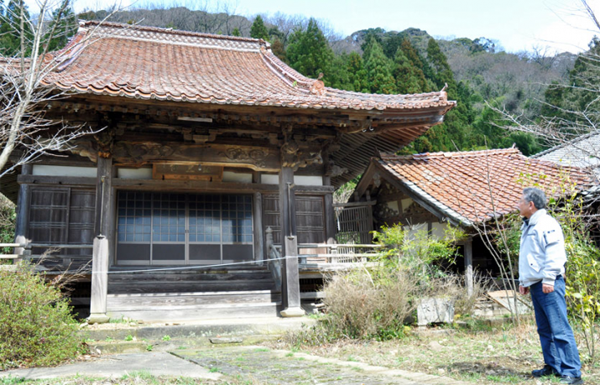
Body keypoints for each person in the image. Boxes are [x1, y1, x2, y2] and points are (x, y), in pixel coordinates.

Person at [517, 187, 583, 385]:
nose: (517, 205)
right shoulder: (528, 225)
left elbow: (554, 254)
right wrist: (524, 281)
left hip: (549, 284)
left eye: (520, 201)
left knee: (560, 328)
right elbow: (530, 256)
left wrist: (548, 279)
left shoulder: (547, 224)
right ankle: (553, 365)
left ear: (531, 204)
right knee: (544, 329)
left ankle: (572, 372)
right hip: (537, 284)